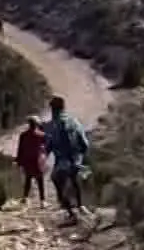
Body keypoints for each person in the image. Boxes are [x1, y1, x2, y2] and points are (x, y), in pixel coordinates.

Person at [44, 95, 91, 224]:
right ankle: (81, 205)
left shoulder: (53, 125)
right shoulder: (74, 121)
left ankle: (71, 212)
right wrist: (82, 156)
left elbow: (49, 145)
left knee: (57, 181)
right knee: (75, 180)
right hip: (76, 159)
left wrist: (45, 154)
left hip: (62, 160)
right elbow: (84, 143)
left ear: (53, 109)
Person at [15, 117, 47, 205]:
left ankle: (25, 198)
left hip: (27, 159)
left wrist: (19, 161)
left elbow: (20, 149)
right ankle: (42, 201)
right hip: (37, 160)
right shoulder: (42, 135)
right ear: (37, 124)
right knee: (40, 180)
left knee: (28, 179)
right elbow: (45, 149)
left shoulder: (23, 135)